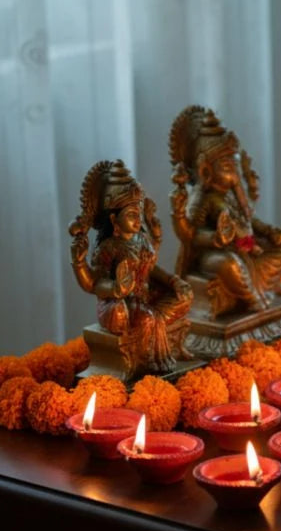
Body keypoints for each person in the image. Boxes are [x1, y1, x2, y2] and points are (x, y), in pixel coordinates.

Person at [69, 160, 193, 376]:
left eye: (139, 214)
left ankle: (156, 327)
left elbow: (150, 268)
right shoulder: (109, 247)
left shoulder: (141, 240)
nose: (138, 221)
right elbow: (94, 284)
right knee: (143, 317)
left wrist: (174, 281)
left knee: (184, 296)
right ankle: (150, 360)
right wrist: (84, 267)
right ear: (114, 220)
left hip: (144, 298)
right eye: (131, 215)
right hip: (121, 304)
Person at [169, 106, 281, 317]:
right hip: (214, 254)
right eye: (228, 167)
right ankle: (252, 297)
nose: (235, 174)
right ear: (206, 170)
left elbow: (249, 219)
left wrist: (270, 231)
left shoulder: (230, 194)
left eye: (235, 166)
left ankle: (268, 285)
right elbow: (190, 234)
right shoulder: (202, 198)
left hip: (245, 246)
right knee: (230, 264)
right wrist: (215, 238)